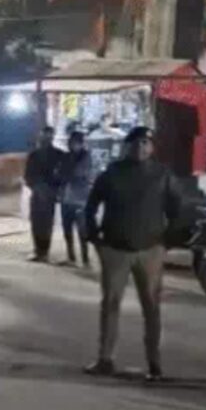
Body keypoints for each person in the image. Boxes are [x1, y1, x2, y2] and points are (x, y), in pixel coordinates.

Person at [84, 127, 182, 382]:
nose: (141, 147)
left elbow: (178, 210)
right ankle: (105, 359)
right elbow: (91, 206)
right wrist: (95, 238)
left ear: (152, 147)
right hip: (115, 249)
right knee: (110, 304)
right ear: (127, 146)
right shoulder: (112, 173)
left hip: (150, 250)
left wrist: (167, 242)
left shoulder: (162, 175)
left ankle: (154, 363)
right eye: (136, 143)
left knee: (151, 307)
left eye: (146, 142)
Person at [24, 126, 66, 262]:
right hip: (39, 193)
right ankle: (39, 250)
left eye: (48, 136)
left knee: (45, 223)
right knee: (38, 222)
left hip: (47, 193)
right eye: (44, 136)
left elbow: (62, 175)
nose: (46, 139)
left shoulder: (59, 155)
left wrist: (52, 189)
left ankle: (43, 251)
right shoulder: (34, 155)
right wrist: (37, 187)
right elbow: (27, 176)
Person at [58, 131, 93, 268]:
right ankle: (71, 257)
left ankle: (85, 259)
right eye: (71, 142)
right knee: (67, 230)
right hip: (66, 198)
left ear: (81, 143)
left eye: (75, 143)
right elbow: (60, 174)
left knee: (82, 231)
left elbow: (77, 173)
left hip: (80, 199)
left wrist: (65, 173)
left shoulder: (86, 157)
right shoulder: (67, 156)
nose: (72, 145)